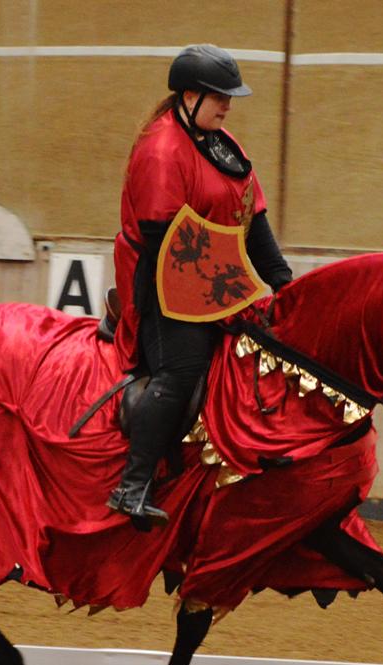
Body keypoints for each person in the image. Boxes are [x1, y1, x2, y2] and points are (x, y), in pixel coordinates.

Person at [107, 43, 292, 527]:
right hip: (160, 285)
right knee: (182, 368)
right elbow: (168, 244)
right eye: (219, 96)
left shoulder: (224, 144)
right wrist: (238, 297)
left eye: (230, 97)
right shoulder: (162, 149)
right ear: (190, 95)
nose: (228, 105)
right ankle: (132, 485)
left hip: (207, 281)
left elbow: (254, 220)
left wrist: (282, 283)